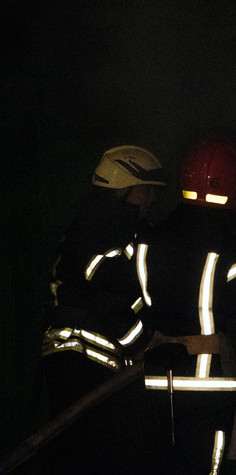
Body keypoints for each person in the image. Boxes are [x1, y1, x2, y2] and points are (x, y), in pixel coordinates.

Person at [135, 137, 236, 474]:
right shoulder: (235, 253)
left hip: (150, 388)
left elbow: (130, 307)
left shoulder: (147, 242)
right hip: (208, 395)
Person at [40, 145, 166, 474]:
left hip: (81, 360)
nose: (152, 199)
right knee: (97, 453)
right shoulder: (105, 229)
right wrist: (141, 342)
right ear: (124, 188)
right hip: (84, 360)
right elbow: (109, 296)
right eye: (146, 190)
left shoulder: (96, 223)